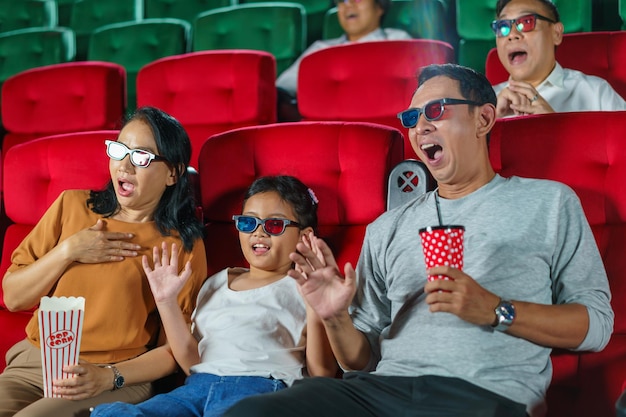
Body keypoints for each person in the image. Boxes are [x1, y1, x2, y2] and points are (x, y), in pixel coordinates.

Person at [223, 63, 614, 417]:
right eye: (412, 117)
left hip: (484, 396)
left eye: (436, 111)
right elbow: (359, 361)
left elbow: (595, 326)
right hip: (380, 393)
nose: (419, 127)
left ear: (484, 119)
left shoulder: (549, 202)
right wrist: (335, 317)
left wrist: (495, 309)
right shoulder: (387, 228)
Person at [0, 106, 207, 417]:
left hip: (114, 376)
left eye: (141, 157)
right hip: (34, 361)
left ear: (172, 173)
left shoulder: (181, 244)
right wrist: (69, 250)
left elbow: (173, 352)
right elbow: (14, 298)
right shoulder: (72, 206)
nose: (124, 165)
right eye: (119, 150)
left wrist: (108, 376)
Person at [91, 175, 337, 417]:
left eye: (274, 225)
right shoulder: (216, 283)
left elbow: (321, 374)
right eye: (248, 223)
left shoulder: (306, 287)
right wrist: (166, 302)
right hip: (197, 388)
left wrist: (314, 309)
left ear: (304, 236)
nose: (259, 233)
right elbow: (191, 362)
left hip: (260, 388)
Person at [276, 0, 411, 120]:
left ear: (380, 6)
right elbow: (283, 88)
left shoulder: (398, 41)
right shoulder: (320, 50)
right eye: (342, 1)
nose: (349, 5)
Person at [491, 0, 626, 118]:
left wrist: (556, 128)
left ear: (556, 33)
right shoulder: (484, 105)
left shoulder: (595, 92)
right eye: (503, 27)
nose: (512, 35)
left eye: (526, 22)